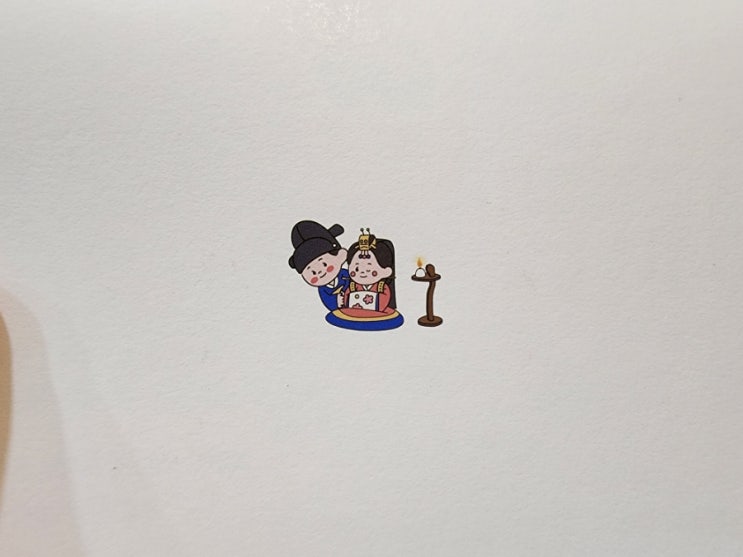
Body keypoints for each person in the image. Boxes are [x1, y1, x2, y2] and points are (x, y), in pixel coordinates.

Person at [288, 220, 350, 311]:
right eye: (313, 272)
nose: (320, 272)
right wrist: (337, 301)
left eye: (325, 264)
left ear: (339, 256)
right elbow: (327, 301)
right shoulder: (323, 289)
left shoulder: (345, 274)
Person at [341, 229, 397, 318]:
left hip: (377, 316)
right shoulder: (353, 287)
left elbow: (383, 302)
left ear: (386, 271)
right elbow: (346, 300)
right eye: (356, 268)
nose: (362, 272)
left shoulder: (381, 287)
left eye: (369, 269)